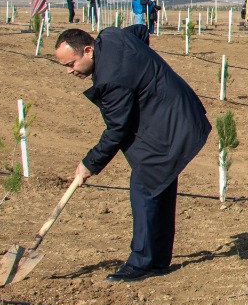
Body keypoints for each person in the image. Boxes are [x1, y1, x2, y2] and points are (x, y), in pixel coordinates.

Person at [54, 24, 212, 282]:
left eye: (71, 64)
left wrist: (89, 163)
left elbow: (117, 130)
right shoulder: (111, 36)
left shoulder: (112, 79)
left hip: (170, 123)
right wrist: (142, 70)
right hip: (174, 111)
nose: (69, 71)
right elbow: (140, 31)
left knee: (144, 186)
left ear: (87, 50)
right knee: (159, 184)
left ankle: (139, 262)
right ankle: (158, 261)